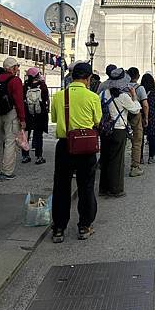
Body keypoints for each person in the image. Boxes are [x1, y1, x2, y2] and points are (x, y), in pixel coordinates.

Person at [50, 62, 102, 243]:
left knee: (61, 187)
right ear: (88, 79)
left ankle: (58, 228)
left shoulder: (58, 96)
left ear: (72, 77)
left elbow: (55, 119)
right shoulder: (92, 97)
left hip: (65, 145)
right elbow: (97, 121)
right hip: (86, 146)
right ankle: (84, 226)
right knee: (86, 186)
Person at [99, 66, 141, 197]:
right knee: (117, 161)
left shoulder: (102, 94)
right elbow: (135, 110)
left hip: (105, 129)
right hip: (118, 130)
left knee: (105, 159)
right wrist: (134, 96)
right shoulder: (123, 96)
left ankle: (103, 188)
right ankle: (116, 189)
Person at [23, 67, 49, 164]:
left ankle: (25, 156)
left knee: (26, 135)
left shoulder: (25, 85)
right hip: (39, 113)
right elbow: (45, 97)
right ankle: (39, 157)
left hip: (28, 113)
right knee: (38, 136)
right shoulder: (42, 85)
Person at [126, 67, 148, 176]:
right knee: (137, 141)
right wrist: (146, 118)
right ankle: (135, 166)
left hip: (123, 114)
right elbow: (145, 105)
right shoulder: (140, 88)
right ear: (138, 76)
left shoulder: (123, 86)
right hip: (135, 115)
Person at [141, 72, 155, 164]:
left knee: (140, 136)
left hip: (141, 113)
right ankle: (151, 157)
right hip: (152, 114)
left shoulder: (140, 90)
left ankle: (140, 157)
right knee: (152, 136)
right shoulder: (154, 91)